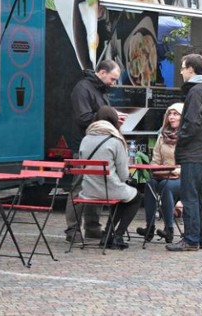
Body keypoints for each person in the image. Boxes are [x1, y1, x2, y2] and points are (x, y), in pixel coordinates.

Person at [66, 59, 126, 243]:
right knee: (79, 186)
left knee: (97, 185)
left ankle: (92, 227)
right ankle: (72, 230)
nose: (113, 83)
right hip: (83, 145)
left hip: (100, 142)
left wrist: (112, 118)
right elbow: (83, 117)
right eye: (112, 78)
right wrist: (110, 119)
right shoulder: (82, 88)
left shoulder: (99, 90)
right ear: (101, 72)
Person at [167, 54, 202, 252]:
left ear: (191, 69)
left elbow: (191, 122)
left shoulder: (196, 91)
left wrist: (182, 139)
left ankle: (191, 238)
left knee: (190, 196)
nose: (180, 71)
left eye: (182, 67)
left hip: (194, 151)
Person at [78, 106, 142, 250]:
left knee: (121, 196)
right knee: (136, 197)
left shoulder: (85, 138)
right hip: (108, 189)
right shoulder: (115, 141)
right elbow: (124, 175)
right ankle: (117, 235)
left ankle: (108, 234)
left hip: (87, 190)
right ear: (114, 120)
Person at [136, 103, 184, 244]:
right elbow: (155, 160)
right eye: (169, 114)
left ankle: (169, 229)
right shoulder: (162, 136)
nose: (171, 117)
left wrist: (176, 170)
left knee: (166, 185)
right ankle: (149, 227)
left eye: (175, 114)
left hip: (181, 176)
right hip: (163, 173)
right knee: (149, 184)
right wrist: (156, 168)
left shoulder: (187, 137)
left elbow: (189, 163)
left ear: (183, 117)